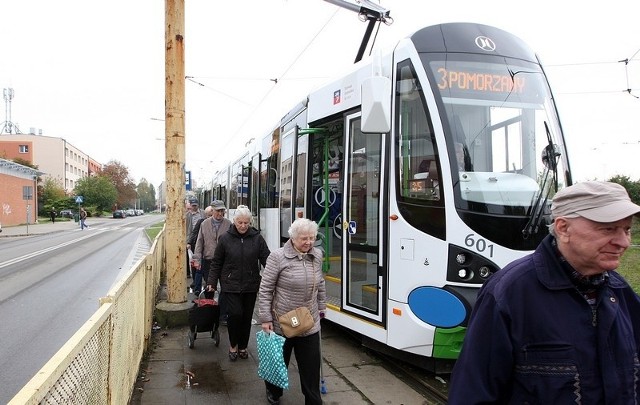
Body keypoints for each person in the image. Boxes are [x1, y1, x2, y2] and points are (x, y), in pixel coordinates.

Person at [448, 181, 640, 404]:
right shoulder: (509, 294)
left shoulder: (620, 291)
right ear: (563, 228)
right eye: (608, 229)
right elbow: (472, 393)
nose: (623, 242)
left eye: (626, 230)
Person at [258, 217, 327, 405]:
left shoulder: (317, 255)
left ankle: (313, 400)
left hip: (309, 320)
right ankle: (274, 391)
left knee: (311, 366)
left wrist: (322, 306)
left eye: (312, 238)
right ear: (293, 238)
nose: (309, 242)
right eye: (304, 238)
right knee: (278, 362)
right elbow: (265, 289)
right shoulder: (277, 257)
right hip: (283, 321)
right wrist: (265, 318)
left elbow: (320, 283)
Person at [206, 205, 270, 362]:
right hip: (230, 284)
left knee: (246, 317)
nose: (243, 226)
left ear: (250, 222)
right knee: (235, 315)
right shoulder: (225, 239)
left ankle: (243, 346)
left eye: (246, 223)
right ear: (234, 221)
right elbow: (216, 262)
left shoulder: (257, 238)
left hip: (250, 284)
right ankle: (233, 345)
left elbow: (268, 260)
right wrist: (211, 282)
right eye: (240, 222)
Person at [192, 201, 231, 295]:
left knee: (226, 287)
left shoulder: (229, 224)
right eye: (218, 211)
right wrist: (197, 260)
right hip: (209, 260)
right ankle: (209, 306)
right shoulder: (204, 224)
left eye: (222, 211)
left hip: (224, 261)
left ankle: (222, 307)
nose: (220, 213)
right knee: (209, 287)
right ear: (212, 211)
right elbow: (199, 242)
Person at [189, 204, 214, 293]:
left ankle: (207, 291)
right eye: (209, 216)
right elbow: (194, 233)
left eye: (212, 215)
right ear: (206, 215)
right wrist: (189, 243)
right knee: (199, 271)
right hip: (201, 252)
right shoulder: (201, 222)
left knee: (206, 273)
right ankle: (197, 289)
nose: (211, 217)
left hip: (209, 253)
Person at [185, 197, 205, 278]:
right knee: (194, 258)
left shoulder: (203, 213)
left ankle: (202, 273)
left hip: (203, 237)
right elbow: (187, 229)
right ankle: (194, 275)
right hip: (193, 239)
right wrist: (188, 242)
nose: (194, 207)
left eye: (195, 205)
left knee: (203, 256)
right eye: (193, 206)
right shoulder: (187, 216)